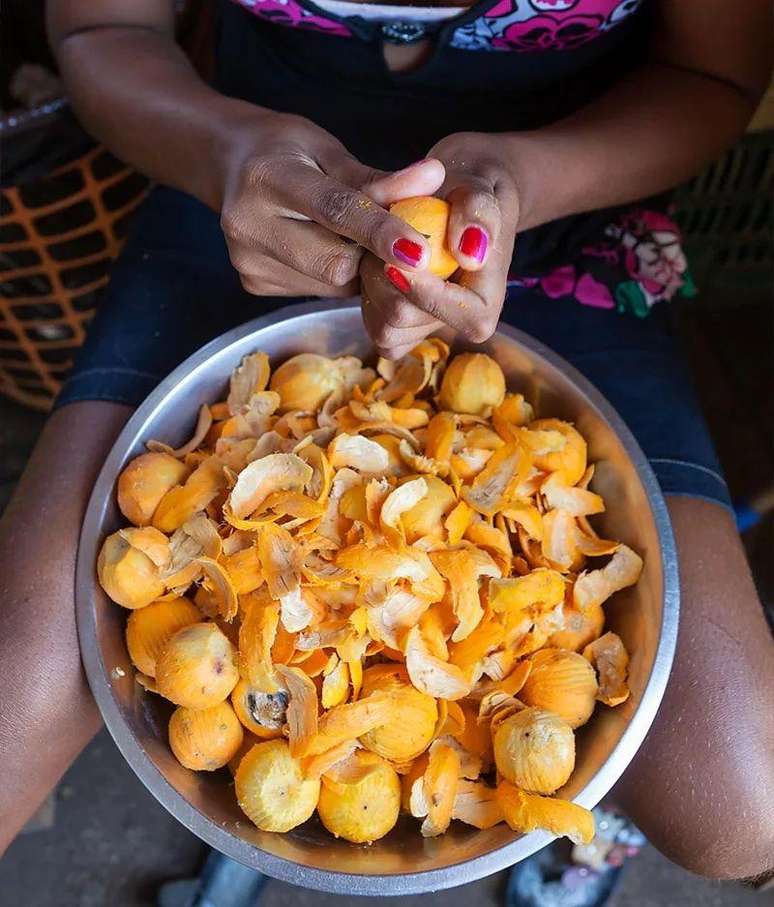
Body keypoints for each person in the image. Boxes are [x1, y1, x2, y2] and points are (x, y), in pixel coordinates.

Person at [0, 0, 771, 889]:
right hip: (240, 194)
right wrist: (225, 149)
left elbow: (713, 78)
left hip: (568, 215)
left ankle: (580, 825)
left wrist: (523, 175)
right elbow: (102, 32)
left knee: (745, 813)